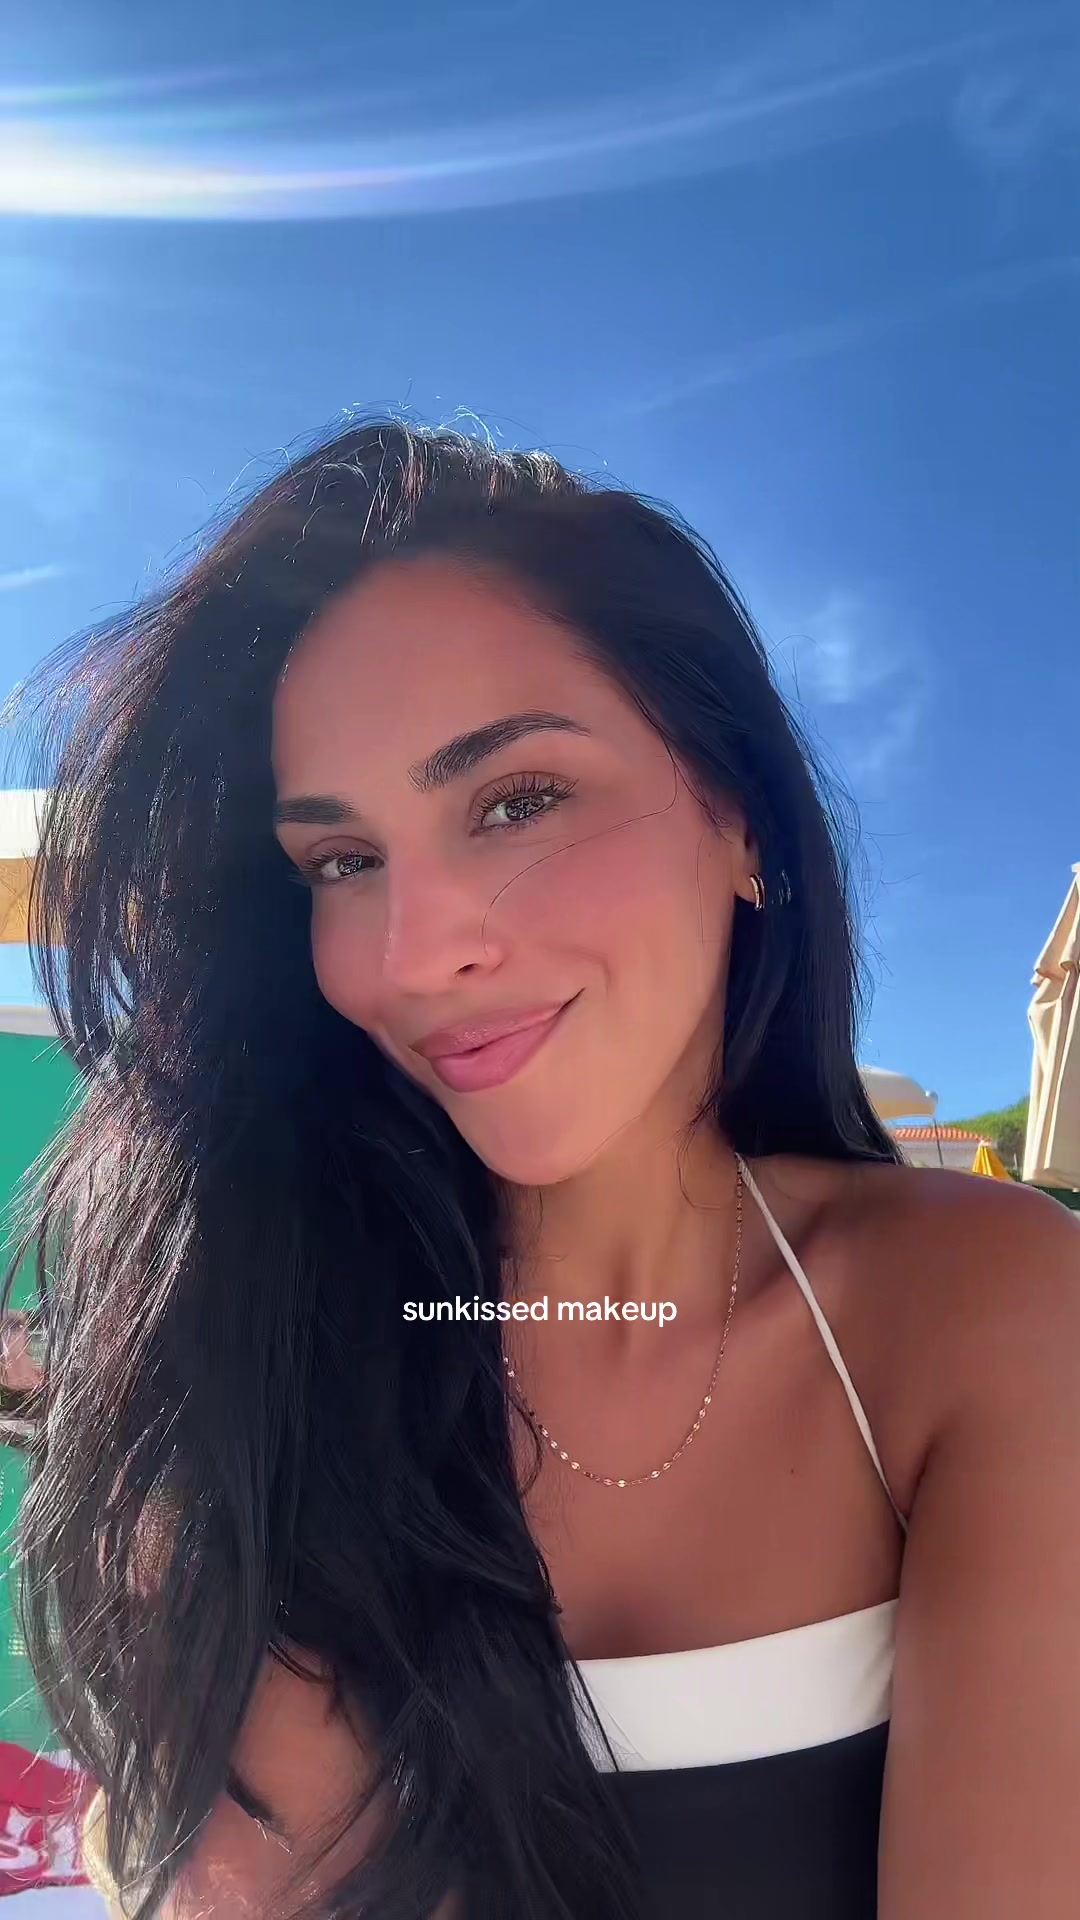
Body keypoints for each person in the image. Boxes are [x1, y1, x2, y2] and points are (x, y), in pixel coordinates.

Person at [4, 417, 1079, 1919]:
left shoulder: (975, 1304)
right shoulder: (256, 1330)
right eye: (341, 861)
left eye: (517, 800)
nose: (414, 951)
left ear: (742, 820)